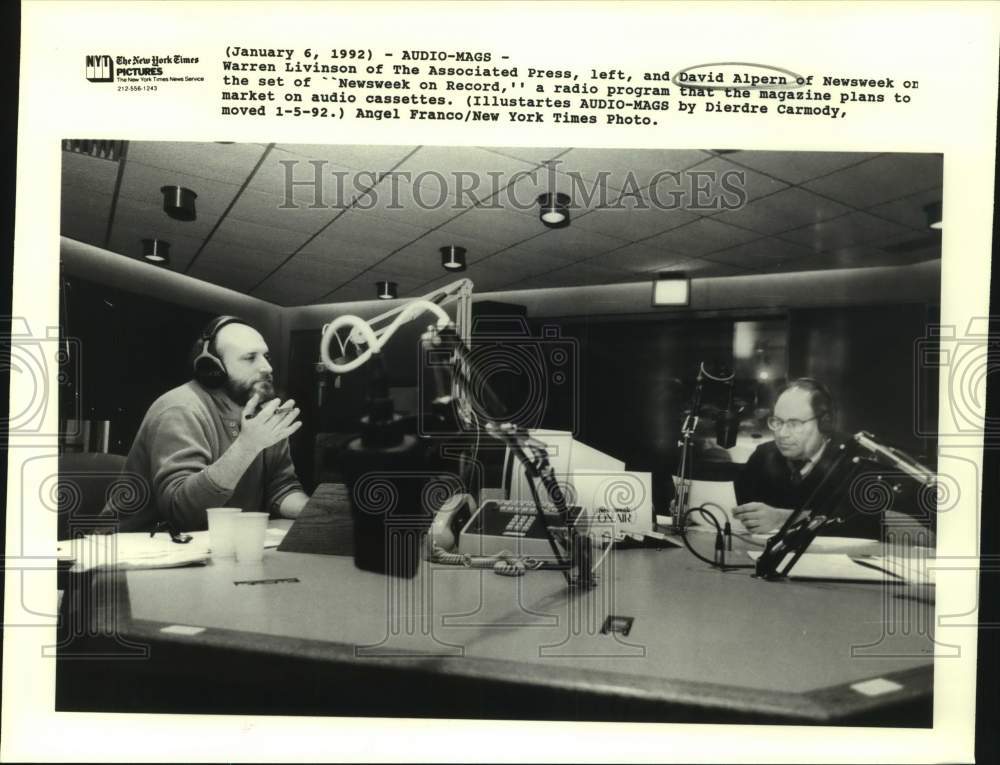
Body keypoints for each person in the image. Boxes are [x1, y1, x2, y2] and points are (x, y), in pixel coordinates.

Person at [104, 316, 310, 532]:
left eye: (266, 356)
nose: (267, 367)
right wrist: (247, 447)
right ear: (212, 368)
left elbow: (282, 489)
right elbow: (182, 513)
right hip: (132, 550)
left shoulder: (262, 416)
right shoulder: (180, 409)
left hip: (207, 547)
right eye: (250, 358)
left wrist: (322, 513)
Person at [732, 378, 881, 538]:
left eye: (794, 424)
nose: (782, 434)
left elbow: (864, 524)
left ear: (824, 423)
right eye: (778, 422)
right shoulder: (763, 455)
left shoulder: (859, 460)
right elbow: (739, 507)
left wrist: (782, 519)